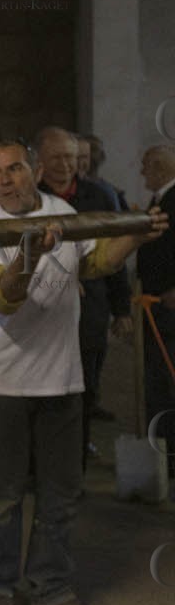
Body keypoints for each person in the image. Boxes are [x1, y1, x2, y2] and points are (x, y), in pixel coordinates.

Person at [0, 139, 165, 605]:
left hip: (63, 377)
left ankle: (51, 588)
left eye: (14, 169)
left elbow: (94, 263)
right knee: (5, 493)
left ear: (33, 170)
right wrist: (30, 254)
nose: (5, 181)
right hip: (3, 381)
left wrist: (136, 237)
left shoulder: (61, 210)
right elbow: (4, 296)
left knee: (61, 491)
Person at [33, 127, 131, 457]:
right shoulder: (27, 199)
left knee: (85, 389)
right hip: (41, 311)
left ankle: (75, 463)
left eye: (70, 158)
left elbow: (115, 254)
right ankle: (39, 463)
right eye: (56, 157)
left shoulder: (100, 197)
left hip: (90, 310)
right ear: (40, 161)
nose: (64, 165)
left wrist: (122, 310)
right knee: (42, 390)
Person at [137, 145, 175, 480]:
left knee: (167, 380)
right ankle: (162, 455)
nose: (141, 173)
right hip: (155, 303)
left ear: (161, 168)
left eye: (146, 166)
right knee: (158, 380)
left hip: (169, 306)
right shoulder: (160, 199)